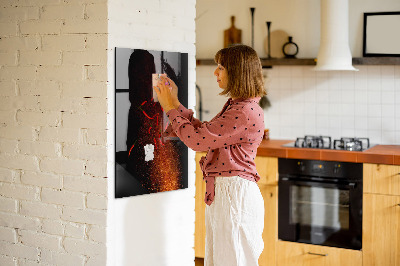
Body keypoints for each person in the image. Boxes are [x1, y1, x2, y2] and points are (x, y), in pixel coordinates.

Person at [154, 44, 266, 266]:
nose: (215, 72)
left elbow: (197, 141)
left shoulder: (243, 111)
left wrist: (169, 108)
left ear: (237, 71)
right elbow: (205, 133)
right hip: (228, 193)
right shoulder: (238, 106)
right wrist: (175, 104)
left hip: (234, 195)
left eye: (221, 67)